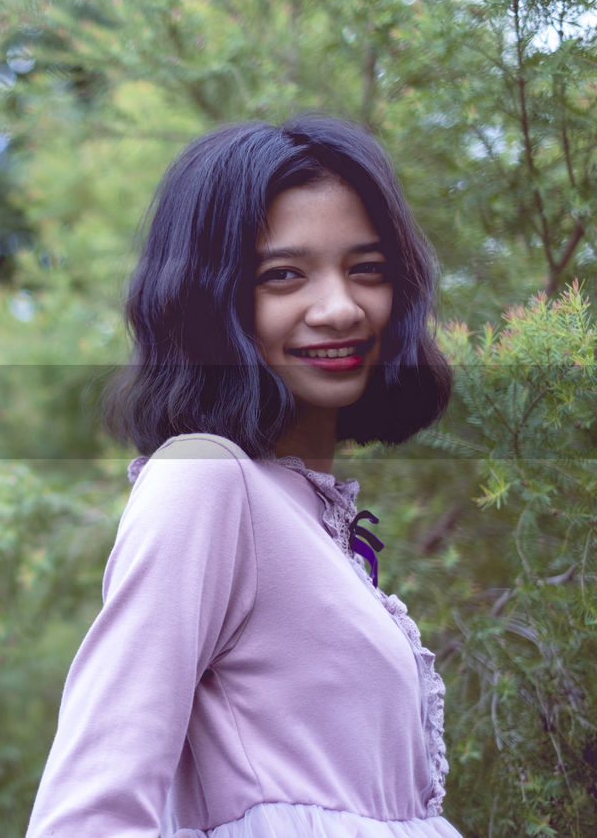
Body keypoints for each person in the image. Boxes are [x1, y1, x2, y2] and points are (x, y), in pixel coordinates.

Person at [25, 116, 461, 837]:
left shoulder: (312, 521)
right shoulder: (205, 481)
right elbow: (85, 816)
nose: (340, 308)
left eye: (367, 269)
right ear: (213, 300)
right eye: (284, 275)